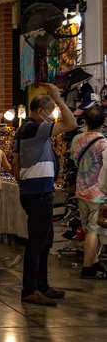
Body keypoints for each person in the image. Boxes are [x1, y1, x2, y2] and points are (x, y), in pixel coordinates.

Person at [14, 84, 77, 305]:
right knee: (37, 241)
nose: (52, 117)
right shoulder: (34, 128)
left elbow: (15, 161)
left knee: (45, 239)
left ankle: (41, 285)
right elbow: (71, 123)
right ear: (41, 110)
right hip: (37, 191)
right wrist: (58, 99)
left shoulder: (26, 129)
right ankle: (30, 289)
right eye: (50, 112)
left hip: (37, 189)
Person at [71, 105, 107, 279]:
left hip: (81, 189)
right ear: (104, 121)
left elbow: (74, 160)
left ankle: (93, 261)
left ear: (85, 121)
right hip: (97, 192)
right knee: (94, 230)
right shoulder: (103, 143)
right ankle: (87, 268)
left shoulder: (77, 139)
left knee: (88, 228)